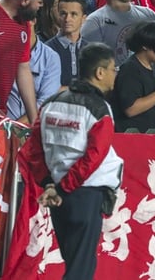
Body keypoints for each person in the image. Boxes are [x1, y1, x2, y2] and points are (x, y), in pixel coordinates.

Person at [18, 42, 123, 280]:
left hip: (58, 195)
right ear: (99, 72)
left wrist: (49, 184)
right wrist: (63, 188)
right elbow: (94, 156)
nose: (114, 75)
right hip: (85, 194)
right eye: (113, 69)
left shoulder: (51, 103)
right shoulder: (99, 109)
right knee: (80, 270)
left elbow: (32, 150)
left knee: (74, 263)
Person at [110, 21, 155, 133]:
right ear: (145, 46)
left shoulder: (153, 69)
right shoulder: (130, 69)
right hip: (132, 139)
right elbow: (131, 109)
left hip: (152, 139)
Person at [47, 0, 89, 88]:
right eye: (63, 14)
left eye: (73, 14)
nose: (67, 19)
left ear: (83, 19)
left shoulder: (91, 51)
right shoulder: (47, 50)